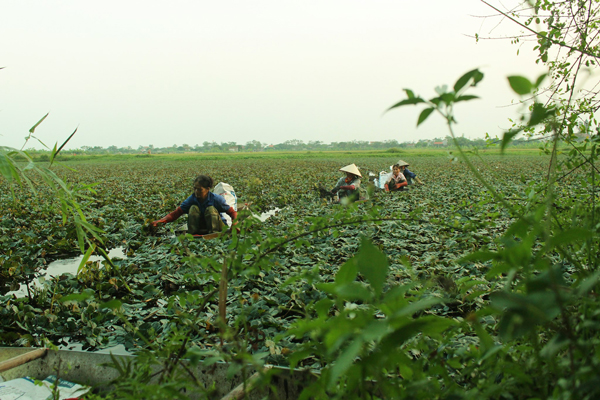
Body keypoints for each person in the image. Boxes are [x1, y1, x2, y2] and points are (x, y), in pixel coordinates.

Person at [152, 175, 237, 234]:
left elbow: (233, 213)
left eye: (199, 189)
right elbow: (176, 214)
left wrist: (234, 224)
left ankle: (213, 234)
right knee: (193, 208)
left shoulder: (216, 199)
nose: (196, 192)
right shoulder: (192, 199)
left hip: (217, 227)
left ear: (207, 189)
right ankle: (193, 233)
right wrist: (160, 221)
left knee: (210, 209)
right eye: (195, 189)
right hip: (201, 228)